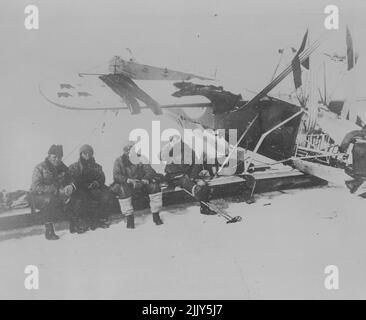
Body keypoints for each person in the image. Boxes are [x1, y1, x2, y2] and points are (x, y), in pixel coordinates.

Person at [111, 141, 163, 229]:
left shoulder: (142, 158)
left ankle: (156, 214)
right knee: (122, 189)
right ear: (126, 152)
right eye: (130, 150)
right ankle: (129, 218)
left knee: (154, 186)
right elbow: (116, 175)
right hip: (128, 185)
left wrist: (144, 179)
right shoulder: (119, 161)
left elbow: (150, 170)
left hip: (141, 184)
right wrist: (128, 180)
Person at [161, 135, 217, 215]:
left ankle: (204, 208)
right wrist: (169, 145)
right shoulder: (170, 152)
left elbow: (196, 164)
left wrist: (192, 177)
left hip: (188, 176)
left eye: (179, 141)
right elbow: (161, 157)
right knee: (185, 181)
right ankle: (196, 190)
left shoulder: (189, 151)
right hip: (174, 177)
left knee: (202, 183)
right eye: (174, 141)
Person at [30, 145, 75, 240]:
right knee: (49, 199)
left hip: (57, 196)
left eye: (59, 157)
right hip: (39, 197)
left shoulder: (63, 168)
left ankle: (74, 223)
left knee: (75, 196)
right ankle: (49, 229)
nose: (57, 159)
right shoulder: (40, 168)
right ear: (49, 156)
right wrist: (55, 189)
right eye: (54, 157)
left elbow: (71, 180)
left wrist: (70, 186)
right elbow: (35, 187)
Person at [68, 144, 114, 230]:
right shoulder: (74, 167)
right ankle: (82, 221)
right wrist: (83, 185)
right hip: (80, 189)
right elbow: (71, 179)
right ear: (81, 154)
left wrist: (96, 183)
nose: (87, 155)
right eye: (85, 153)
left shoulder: (97, 166)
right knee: (81, 199)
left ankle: (101, 219)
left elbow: (102, 178)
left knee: (106, 196)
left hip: (94, 188)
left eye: (89, 153)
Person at [339, 126, 366, 195]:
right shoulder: (358, 133)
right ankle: (353, 185)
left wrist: (342, 149)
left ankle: (353, 185)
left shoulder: (356, 132)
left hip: (358, 150)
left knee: (360, 172)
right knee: (362, 173)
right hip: (361, 150)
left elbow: (346, 139)